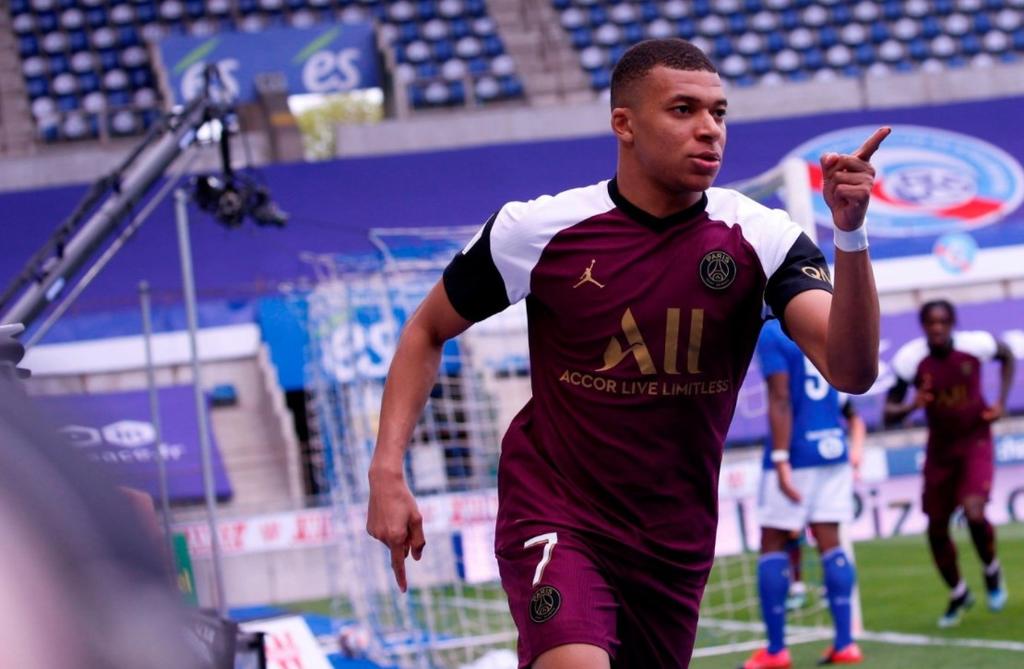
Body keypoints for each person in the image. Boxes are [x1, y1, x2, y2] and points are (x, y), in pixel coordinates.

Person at [367, 38, 887, 668]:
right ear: (625, 123)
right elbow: (426, 329)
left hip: (673, 541)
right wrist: (386, 471)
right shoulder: (539, 230)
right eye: (683, 110)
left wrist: (850, 234)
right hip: (556, 514)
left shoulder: (764, 238)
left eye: (719, 113)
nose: (709, 129)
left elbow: (852, 370)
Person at [743, 319, 867, 669]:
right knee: (831, 542)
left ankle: (776, 650)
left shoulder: (773, 331)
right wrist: (855, 449)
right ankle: (845, 644)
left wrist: (781, 459)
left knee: (773, 541)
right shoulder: (823, 326)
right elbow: (847, 402)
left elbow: (780, 397)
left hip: (796, 450)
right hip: (832, 448)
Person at [885, 299, 1015, 627]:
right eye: (931, 322)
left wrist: (1001, 402)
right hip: (939, 449)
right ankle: (959, 593)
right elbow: (888, 413)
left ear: (952, 323)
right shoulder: (910, 360)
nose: (937, 328)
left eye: (943, 321)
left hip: (975, 440)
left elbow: (1007, 356)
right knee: (936, 528)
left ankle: (991, 570)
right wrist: (912, 405)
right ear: (923, 326)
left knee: (974, 512)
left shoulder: (976, 345)